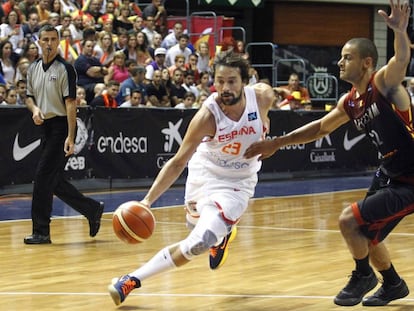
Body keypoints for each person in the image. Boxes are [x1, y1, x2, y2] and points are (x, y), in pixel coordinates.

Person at [244, 1, 413, 307]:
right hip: (389, 172)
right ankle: (392, 284)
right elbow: (321, 127)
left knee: (350, 221)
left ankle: (364, 275)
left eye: (347, 57)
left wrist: (400, 31)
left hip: (411, 179)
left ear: (366, 63)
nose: (339, 63)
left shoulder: (383, 84)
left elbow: (401, 60)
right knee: (367, 233)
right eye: (340, 57)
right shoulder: (350, 102)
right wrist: (276, 142)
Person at [107, 49, 274, 306]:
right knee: (195, 228)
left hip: (238, 183)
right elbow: (177, 162)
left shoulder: (262, 96)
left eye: (231, 81)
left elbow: (265, 122)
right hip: (205, 173)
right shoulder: (208, 116)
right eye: (219, 81)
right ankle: (222, 234)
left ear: (245, 81)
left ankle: (130, 280)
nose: (225, 87)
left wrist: (265, 140)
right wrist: (147, 202)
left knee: (198, 242)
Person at [23, 24, 104, 244]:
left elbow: (71, 104)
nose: (49, 43)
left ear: (58, 42)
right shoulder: (33, 69)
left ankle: (41, 231)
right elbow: (28, 97)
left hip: (62, 127)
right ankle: (92, 209)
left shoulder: (65, 69)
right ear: (39, 42)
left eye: (53, 39)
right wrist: (35, 109)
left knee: (42, 178)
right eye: (45, 39)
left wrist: (70, 136)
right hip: (46, 127)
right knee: (54, 180)